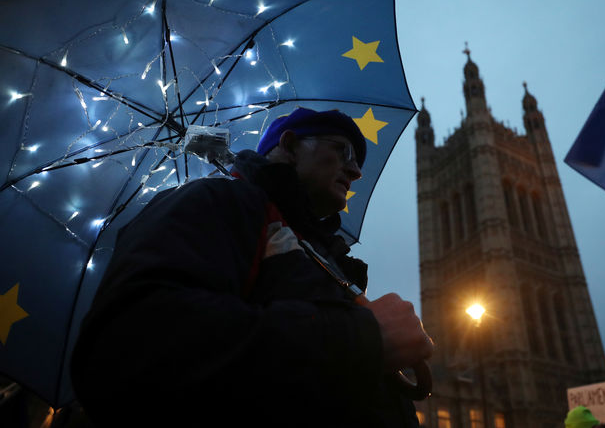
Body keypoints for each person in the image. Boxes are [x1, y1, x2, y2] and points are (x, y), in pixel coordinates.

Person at [70, 107, 433, 427]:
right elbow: (130, 346)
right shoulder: (215, 201)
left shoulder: (322, 255)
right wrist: (361, 338)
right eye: (344, 151)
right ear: (290, 146)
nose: (354, 171)